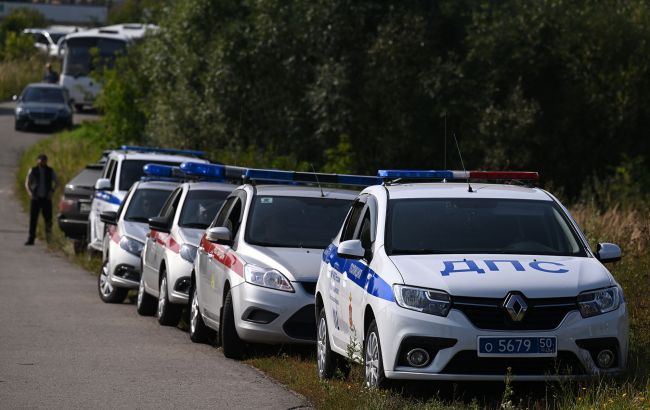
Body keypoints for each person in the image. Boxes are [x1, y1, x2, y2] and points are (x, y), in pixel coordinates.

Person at [24, 154, 58, 245]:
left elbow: (57, 182)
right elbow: (27, 183)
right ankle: (31, 238)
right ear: (37, 160)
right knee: (33, 219)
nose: (42, 162)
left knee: (48, 219)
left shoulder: (50, 171)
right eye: (41, 160)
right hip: (36, 198)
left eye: (44, 160)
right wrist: (30, 193)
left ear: (46, 161)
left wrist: (52, 192)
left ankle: (49, 239)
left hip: (46, 198)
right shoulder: (33, 170)